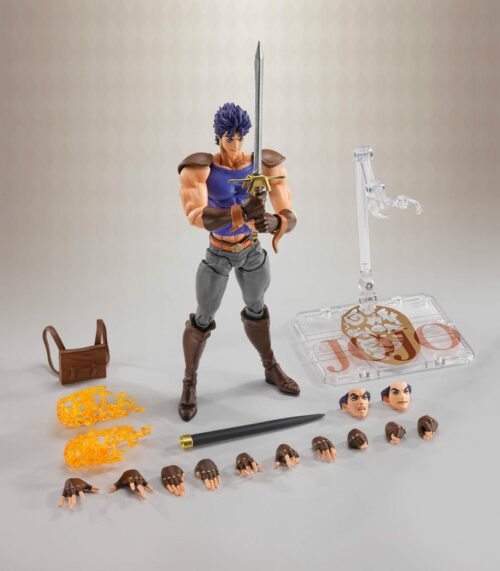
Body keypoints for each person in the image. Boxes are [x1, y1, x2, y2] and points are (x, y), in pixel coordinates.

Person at [177, 102, 299, 421]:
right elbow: (195, 215)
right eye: (229, 137)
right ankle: (189, 382)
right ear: (218, 137)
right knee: (203, 316)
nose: (235, 144)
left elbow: (289, 212)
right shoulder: (200, 169)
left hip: (250, 249)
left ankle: (270, 366)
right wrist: (240, 212)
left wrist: (275, 222)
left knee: (256, 307)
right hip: (218, 251)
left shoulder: (264, 165)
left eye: (240, 137)